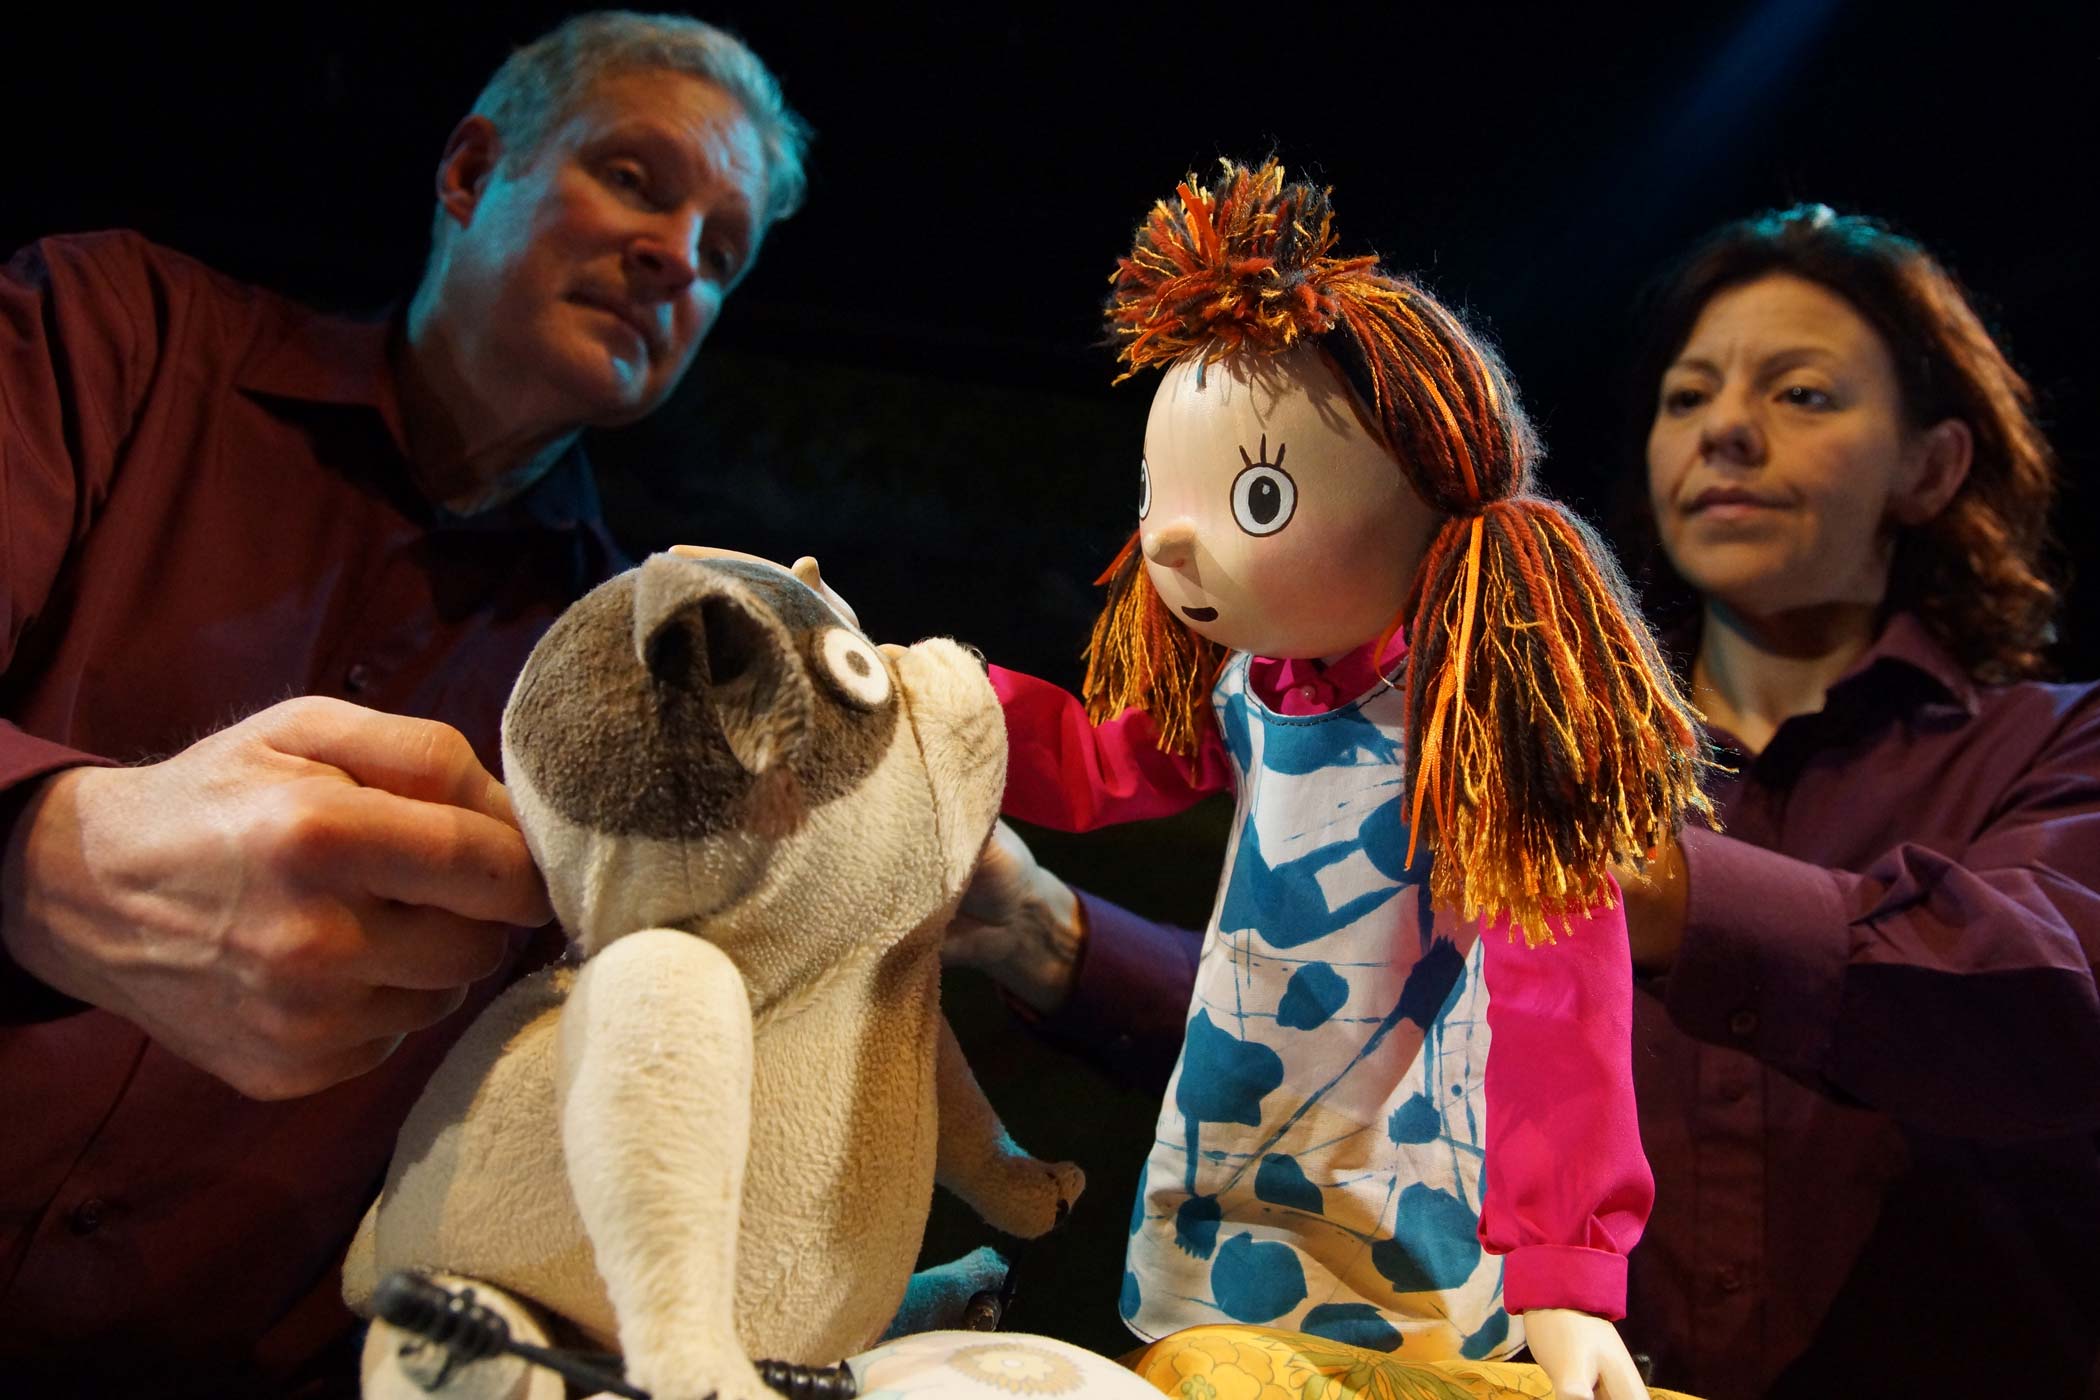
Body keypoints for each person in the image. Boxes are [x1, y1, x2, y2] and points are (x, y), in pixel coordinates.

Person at [950, 204, 2100, 1400]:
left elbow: (2056, 997)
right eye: (1688, 395)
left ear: (1933, 461)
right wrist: (1021, 881)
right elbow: (1337, 995)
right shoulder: (1306, 695)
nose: (1727, 433)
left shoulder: (2057, 744)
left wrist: (1609, 855)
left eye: (1802, 393)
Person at [0, 12, 807, 1394]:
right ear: (468, 172)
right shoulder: (114, 336)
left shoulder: (646, 684)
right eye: (634, 176)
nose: (678, 255)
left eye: (722, 255)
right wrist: (38, 861)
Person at [983, 159, 1714, 1400]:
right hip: (1233, 1179)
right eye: (1163, 491)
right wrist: (933, 708)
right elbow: (1095, 761)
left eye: (1254, 493)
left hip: (1416, 1218)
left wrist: (1565, 1265)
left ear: (1423, 494)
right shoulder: (1243, 689)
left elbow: (1562, 995)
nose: (1168, 536)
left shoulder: (1472, 729)